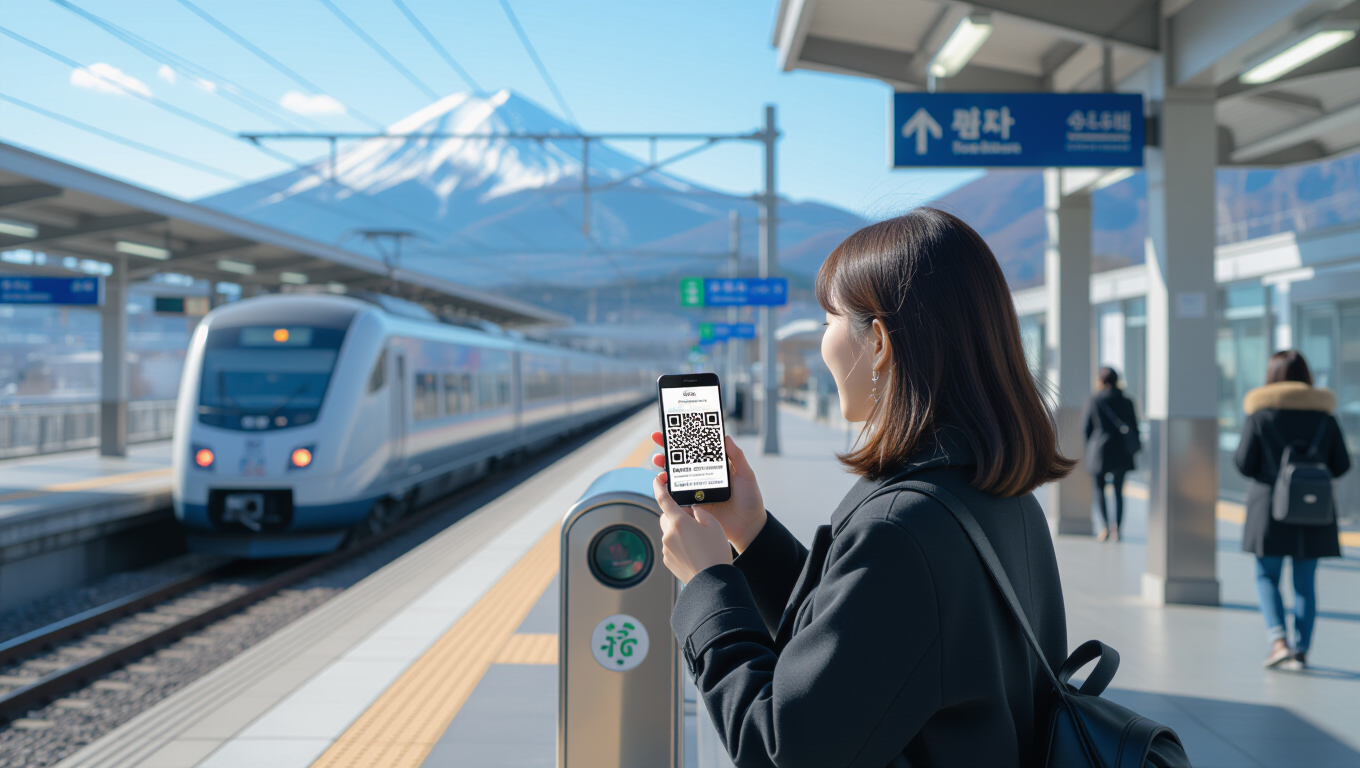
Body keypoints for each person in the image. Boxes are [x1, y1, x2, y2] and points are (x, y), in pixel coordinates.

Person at [650, 208, 1076, 767]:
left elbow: (781, 749)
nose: (823, 343)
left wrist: (709, 587)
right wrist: (751, 531)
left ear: (877, 342)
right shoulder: (995, 494)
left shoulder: (904, 527)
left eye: (829, 319)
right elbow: (875, 647)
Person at [1235, 350, 1350, 670]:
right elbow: (1342, 465)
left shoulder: (1260, 415)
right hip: (1313, 511)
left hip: (1268, 508)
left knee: (1266, 576)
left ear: (1271, 376)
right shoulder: (1325, 417)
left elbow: (1245, 464)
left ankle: (1278, 642)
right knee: (1305, 582)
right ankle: (1300, 650)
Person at [1083, 366, 1140, 541]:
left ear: (1100, 381)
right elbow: (1134, 427)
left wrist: (1090, 448)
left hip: (1100, 450)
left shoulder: (1095, 399)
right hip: (1121, 450)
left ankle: (1105, 528)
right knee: (1119, 491)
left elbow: (1087, 428)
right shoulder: (1127, 401)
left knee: (1100, 489)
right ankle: (1118, 530)